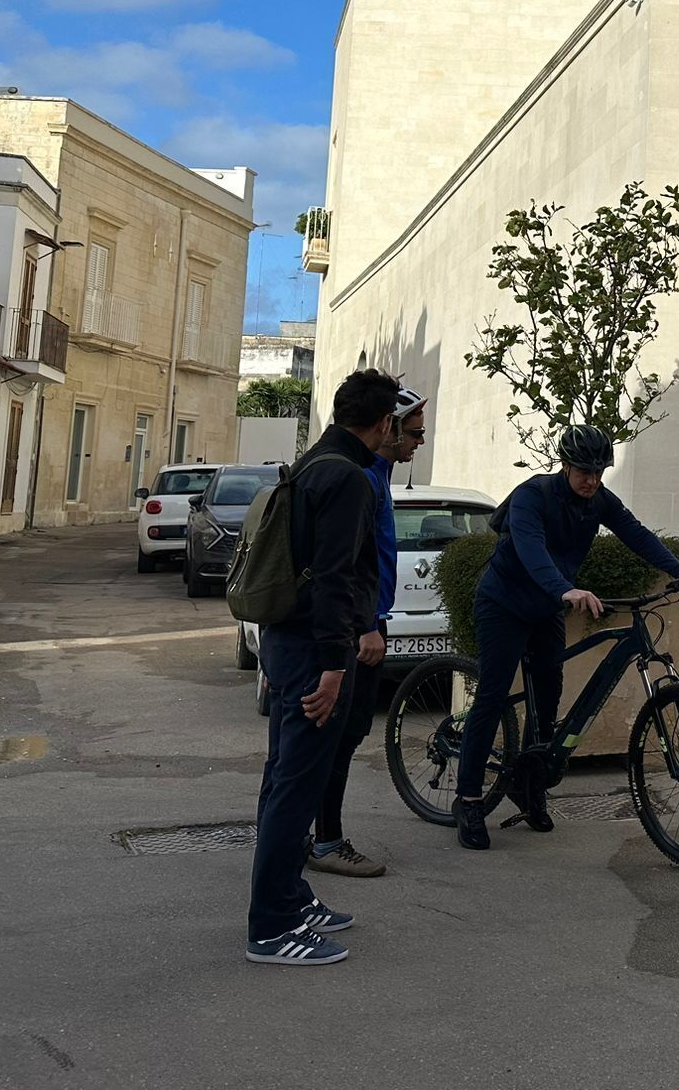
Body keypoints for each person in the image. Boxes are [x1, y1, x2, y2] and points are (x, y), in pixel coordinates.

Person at [451, 423, 679, 850]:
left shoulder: (599, 501)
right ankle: (467, 799)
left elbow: (635, 532)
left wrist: (677, 567)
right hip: (504, 603)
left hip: (545, 609)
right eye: (583, 471)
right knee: (494, 695)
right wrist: (565, 589)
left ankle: (530, 787)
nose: (592, 480)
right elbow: (531, 549)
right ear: (565, 465)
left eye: (599, 472)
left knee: (549, 697)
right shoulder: (531, 496)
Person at [245, 368, 397, 965]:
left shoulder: (311, 463)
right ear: (384, 424)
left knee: (285, 774)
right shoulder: (350, 479)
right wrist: (334, 669)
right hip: (314, 649)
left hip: (287, 639)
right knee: (296, 786)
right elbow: (336, 580)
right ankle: (273, 924)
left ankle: (291, 895)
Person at [306, 385, 428, 879]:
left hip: (363, 626)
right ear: (388, 426)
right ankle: (324, 841)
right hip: (357, 631)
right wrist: (367, 628)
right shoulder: (361, 476)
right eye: (415, 432)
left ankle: (317, 838)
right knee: (333, 739)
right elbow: (345, 568)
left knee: (346, 736)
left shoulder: (377, 473)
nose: (421, 441)